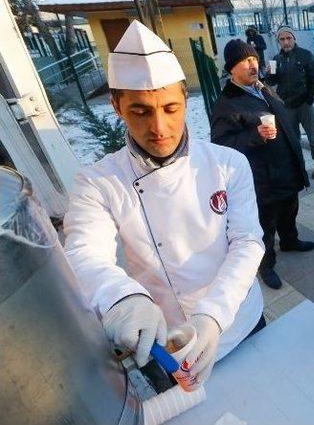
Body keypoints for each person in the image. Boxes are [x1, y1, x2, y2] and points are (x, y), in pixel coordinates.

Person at [64, 21, 266, 388]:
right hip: (164, 343)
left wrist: (212, 316)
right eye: (141, 111)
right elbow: (83, 254)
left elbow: (248, 242)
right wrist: (123, 298)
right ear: (117, 105)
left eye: (170, 108)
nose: (159, 126)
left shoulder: (228, 164)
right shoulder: (97, 182)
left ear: (185, 102)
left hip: (239, 322)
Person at [211, 39, 314, 291]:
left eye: (254, 59)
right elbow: (221, 145)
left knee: (290, 211)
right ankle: (265, 265)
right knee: (265, 226)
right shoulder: (227, 104)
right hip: (263, 178)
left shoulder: (263, 88)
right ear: (231, 69)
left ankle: (290, 240)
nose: (252, 64)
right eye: (245, 61)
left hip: (286, 168)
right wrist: (255, 136)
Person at [265, 25, 314, 179]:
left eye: (288, 38)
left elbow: (313, 79)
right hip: (287, 106)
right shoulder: (276, 59)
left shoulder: (306, 55)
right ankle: (299, 166)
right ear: (279, 41)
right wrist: (268, 72)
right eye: (282, 39)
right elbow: (272, 81)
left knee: (313, 137)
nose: (286, 42)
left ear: (294, 38)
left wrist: (310, 99)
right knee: (293, 139)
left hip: (304, 104)